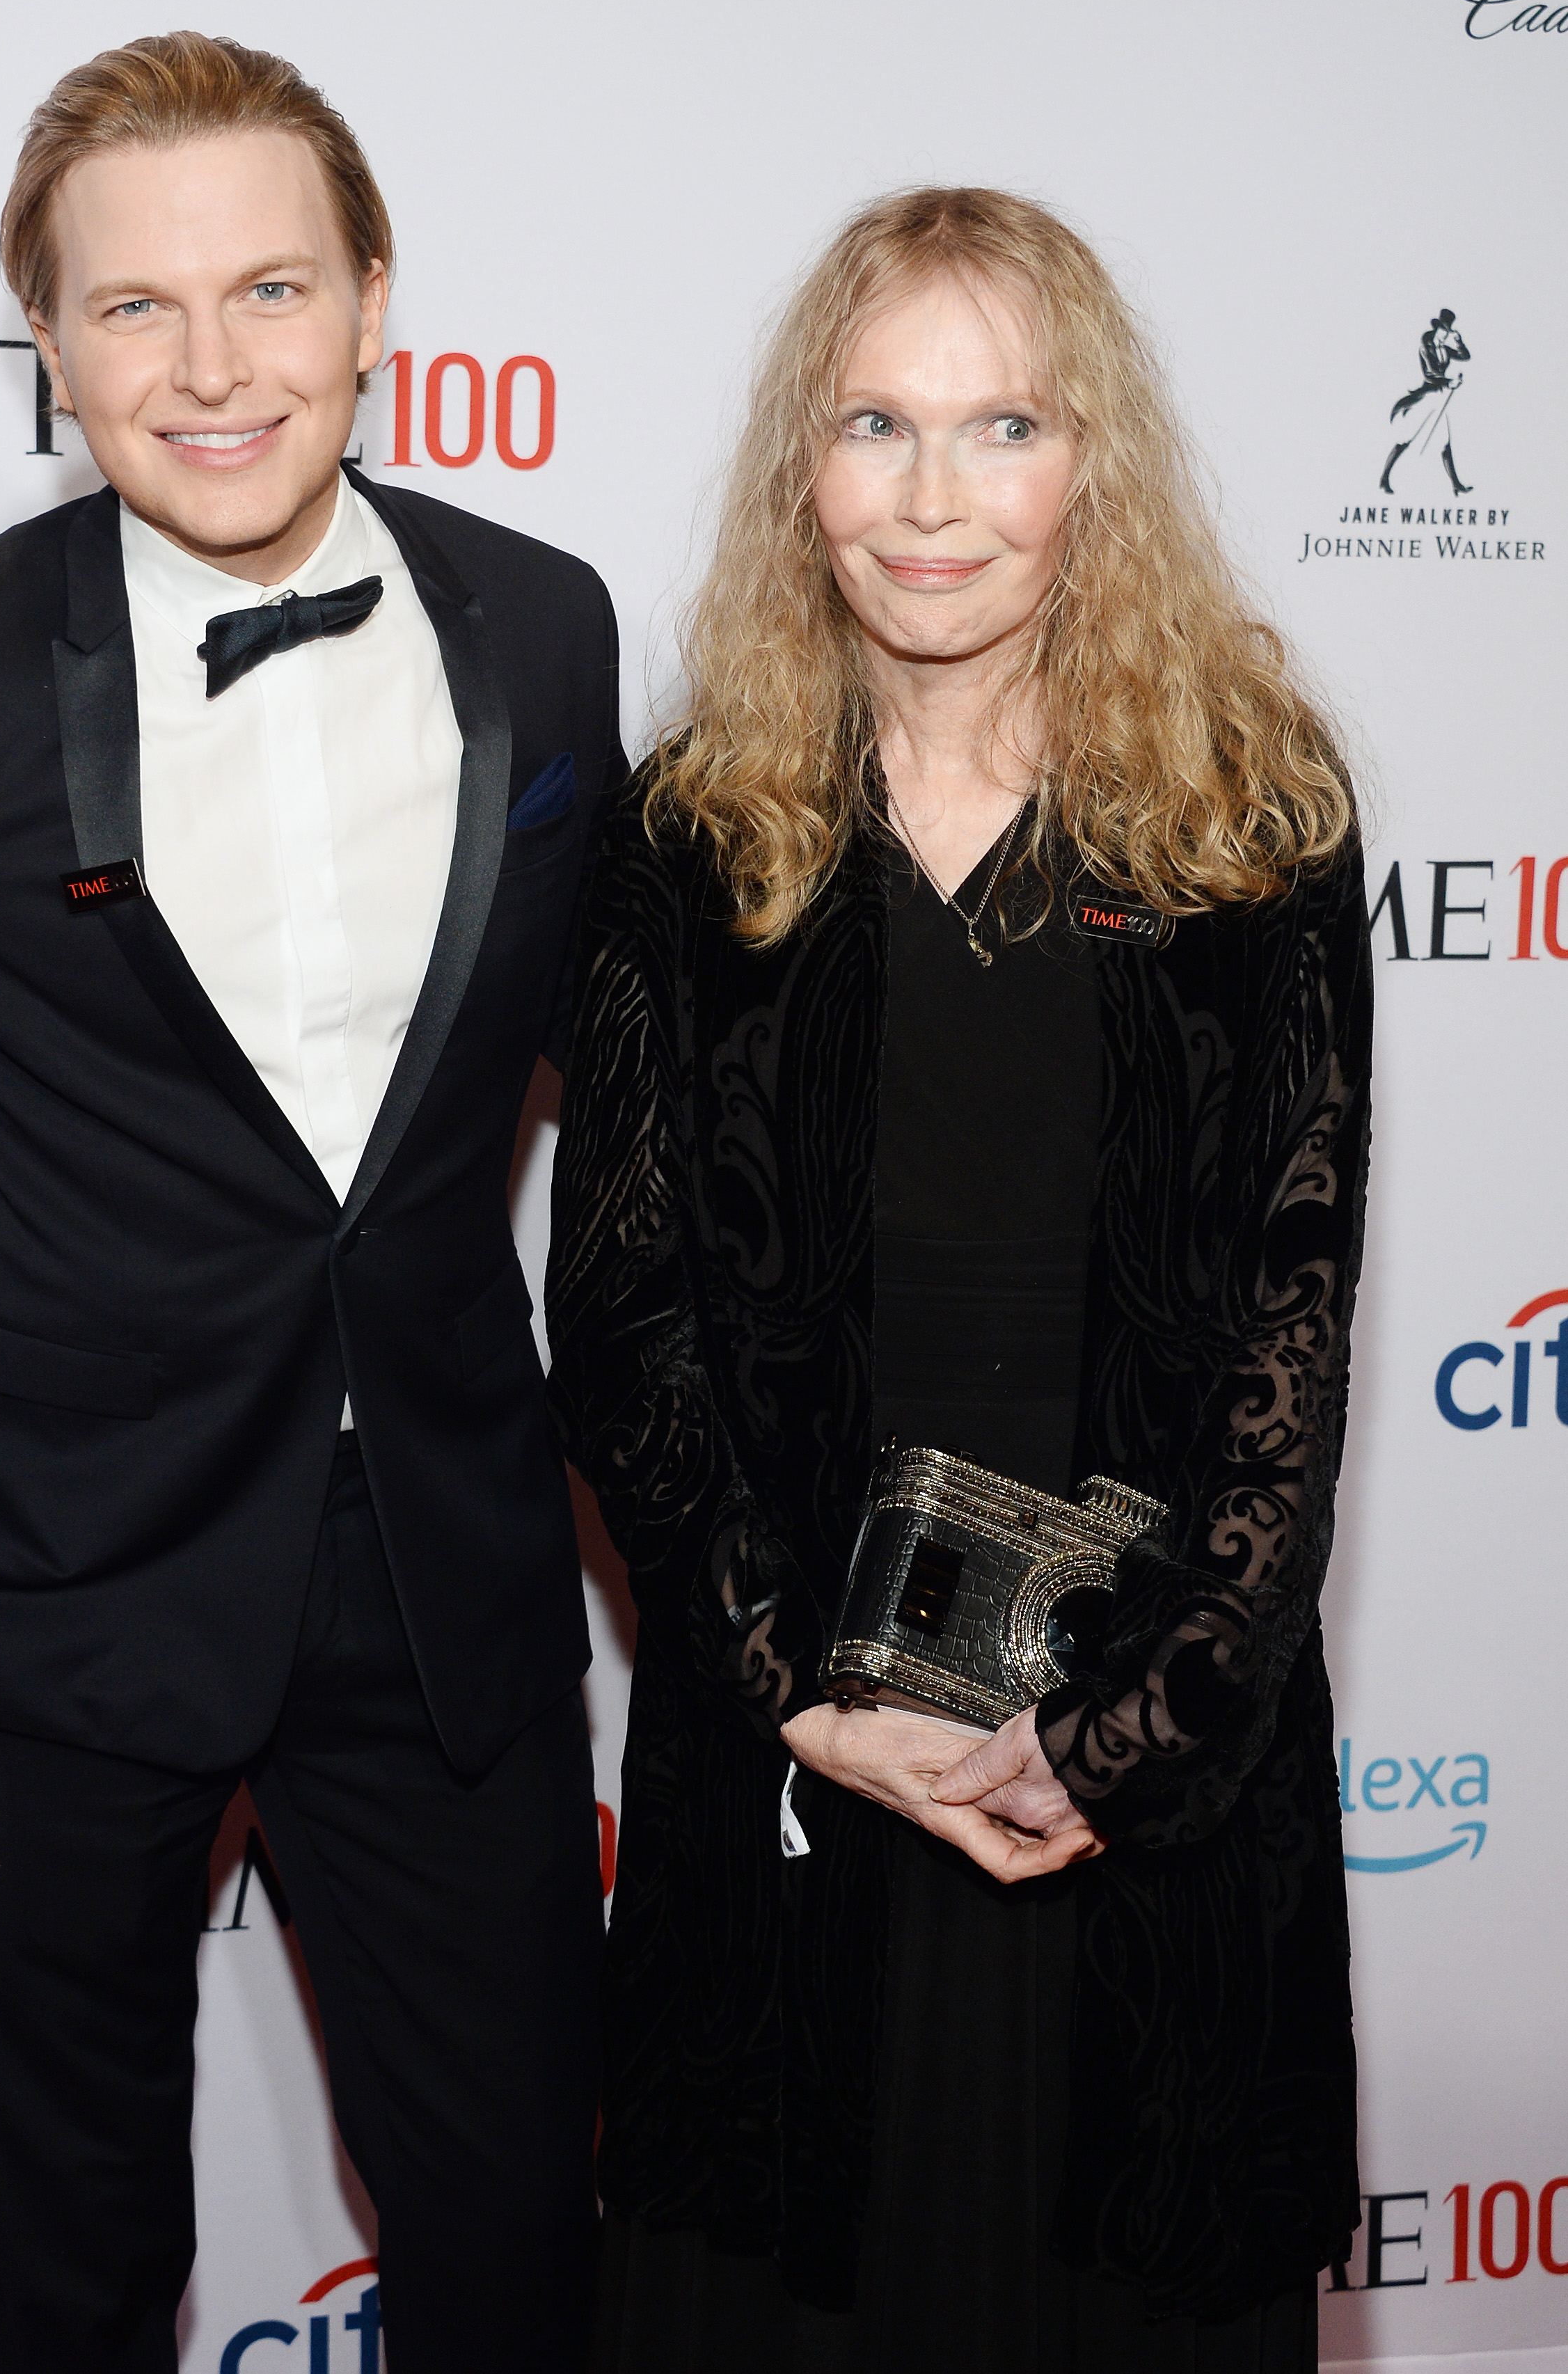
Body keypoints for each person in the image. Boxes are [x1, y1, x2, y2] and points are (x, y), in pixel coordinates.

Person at [0, 33, 619, 2374]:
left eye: (269, 288)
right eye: (132, 308)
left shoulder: (544, 623)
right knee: (65, 2274)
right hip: (58, 1573)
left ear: (376, 296)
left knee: (521, 2239)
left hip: (446, 1577)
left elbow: (635, 1066)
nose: (210, 367)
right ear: (47, 346)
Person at [548, 187, 1370, 2373]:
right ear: (797, 467)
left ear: (1091, 461)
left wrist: (1121, 1741)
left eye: (1001, 425)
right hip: (796, 1757)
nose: (931, 499)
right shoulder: (693, 833)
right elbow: (622, 1317)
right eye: (875, 424)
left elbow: (1295, 1332)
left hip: (1139, 1786)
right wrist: (788, 1680)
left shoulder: (1250, 823)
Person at [1379, 307, 1471, 496]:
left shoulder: (1445, 349)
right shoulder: (1426, 346)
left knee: (1445, 442)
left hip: (1439, 399)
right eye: (1444, 331)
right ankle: (1384, 479)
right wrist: (1449, 382)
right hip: (1426, 398)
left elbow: (1465, 357)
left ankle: (1455, 484)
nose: (1446, 335)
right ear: (1437, 329)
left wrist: (1459, 342)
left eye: (1448, 331)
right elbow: (1430, 374)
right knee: (1406, 439)